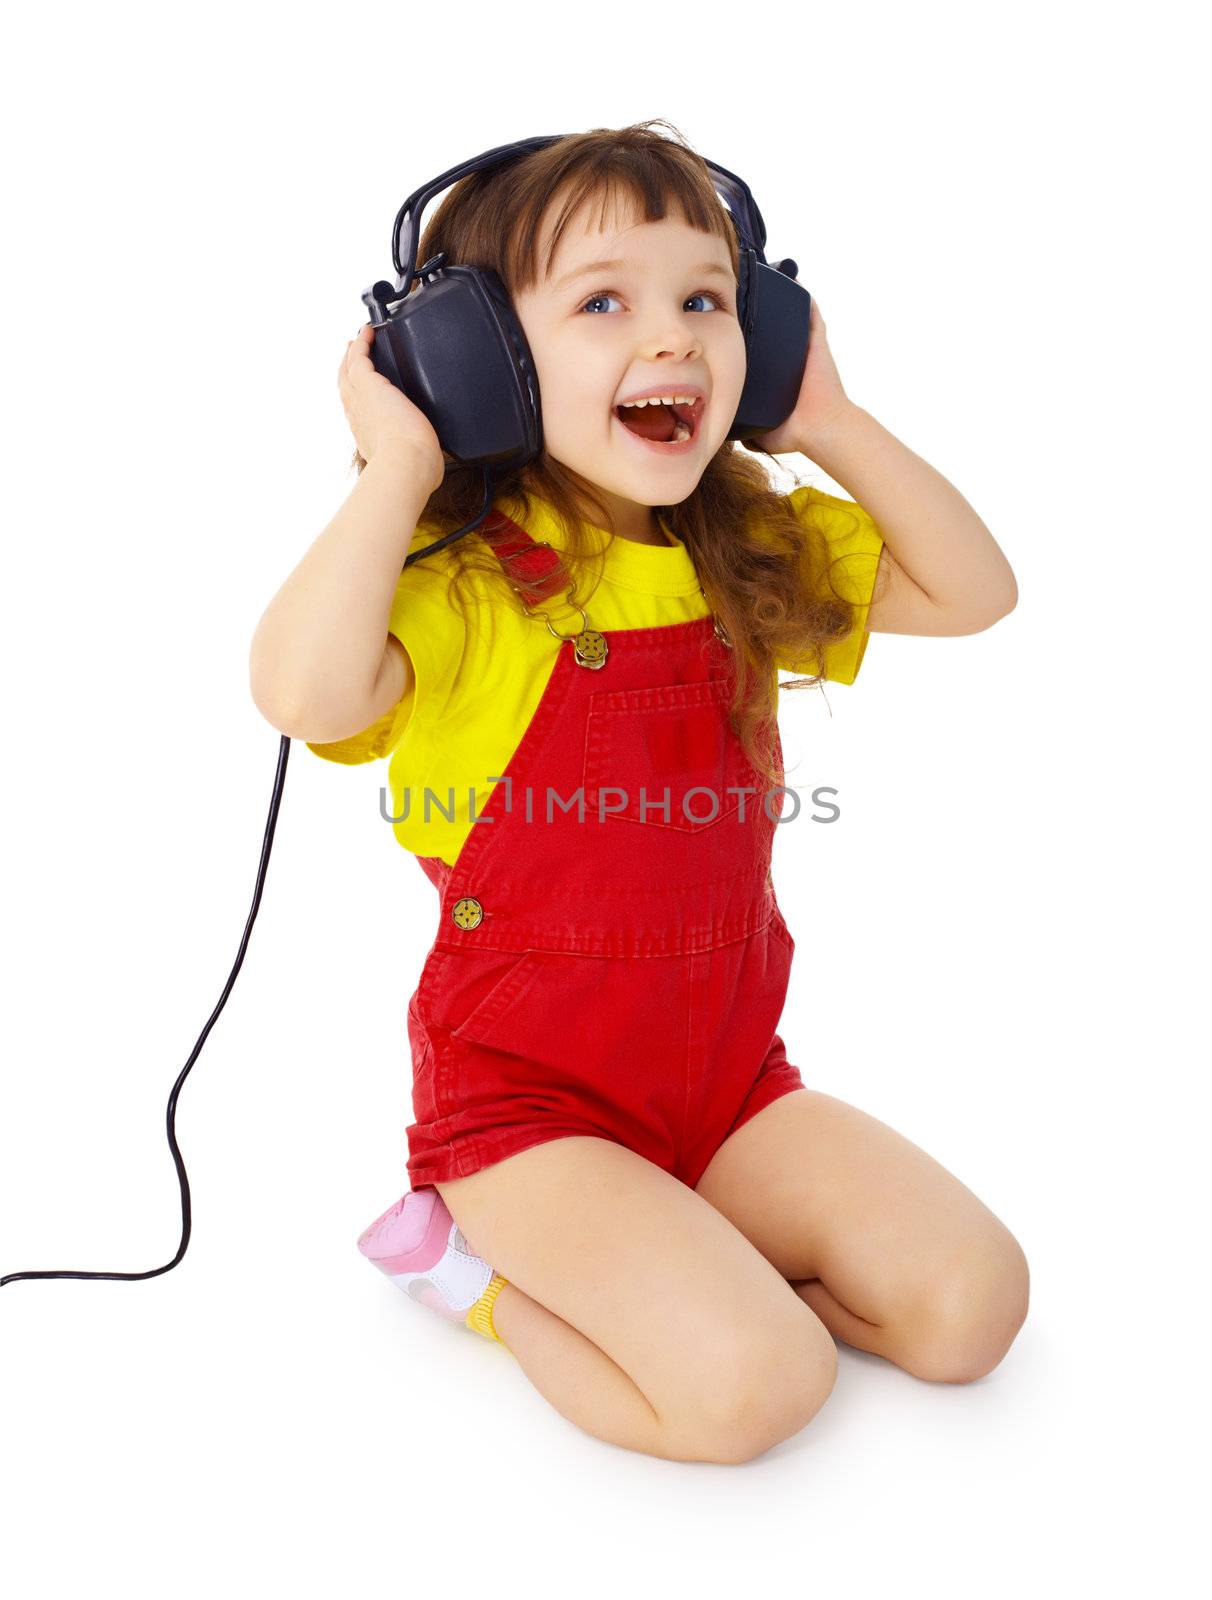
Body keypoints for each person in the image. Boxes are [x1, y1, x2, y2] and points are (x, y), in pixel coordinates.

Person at [249, 121, 1028, 1465]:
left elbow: (975, 592)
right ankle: (469, 1276)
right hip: (532, 1115)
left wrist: (824, 416)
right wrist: (401, 468)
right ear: (481, 363)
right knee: (749, 1397)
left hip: (725, 1085)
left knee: (969, 1313)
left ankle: (685, 1261)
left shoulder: (753, 552)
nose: (672, 340)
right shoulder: (466, 593)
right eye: (603, 300)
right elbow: (307, 696)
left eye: (709, 302)